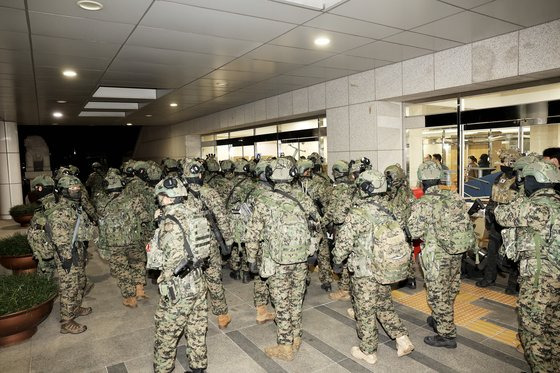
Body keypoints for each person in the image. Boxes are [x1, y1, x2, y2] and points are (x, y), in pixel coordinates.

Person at [333, 170, 414, 365]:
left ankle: (368, 351)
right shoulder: (391, 208)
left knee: (365, 310)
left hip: (365, 272)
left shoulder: (358, 213)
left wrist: (337, 261)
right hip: (386, 268)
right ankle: (402, 339)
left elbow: (343, 243)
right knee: (384, 304)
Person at [245, 158, 320, 361]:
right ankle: (296, 337)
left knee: (281, 303)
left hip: (276, 261)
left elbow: (253, 233)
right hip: (300, 259)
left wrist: (251, 257)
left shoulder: (264, 200)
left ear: (271, 175)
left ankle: (285, 346)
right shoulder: (302, 198)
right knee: (296, 300)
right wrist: (312, 252)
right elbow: (316, 225)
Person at [494, 160, 560, 372]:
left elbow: (501, 215)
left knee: (533, 331)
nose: (524, 183)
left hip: (540, 279)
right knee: (555, 325)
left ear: (535, 181)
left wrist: (519, 194)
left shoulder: (531, 206)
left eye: (526, 180)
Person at [409, 160, 475, 348]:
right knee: (451, 288)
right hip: (456, 252)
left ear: (422, 181)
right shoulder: (454, 197)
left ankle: (446, 335)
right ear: (439, 178)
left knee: (437, 293)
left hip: (437, 256)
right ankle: (440, 317)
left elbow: (414, 231)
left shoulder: (424, 203)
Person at [148, 177, 211, 373]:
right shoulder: (195, 214)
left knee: (166, 332)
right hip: (198, 279)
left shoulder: (168, 224)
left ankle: (163, 369)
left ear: (166, 199)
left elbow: (161, 262)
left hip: (179, 286)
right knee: (197, 326)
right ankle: (198, 366)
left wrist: (155, 237)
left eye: (160, 197)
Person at [182, 159, 234, 330]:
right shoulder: (210, 193)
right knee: (213, 277)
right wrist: (228, 240)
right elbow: (222, 217)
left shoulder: (179, 194)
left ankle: (192, 315)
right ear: (200, 174)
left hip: (186, 246)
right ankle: (222, 315)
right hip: (208, 243)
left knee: (188, 280)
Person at [45, 175, 96, 334]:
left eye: (78, 188)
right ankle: (66, 321)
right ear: (63, 191)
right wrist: (67, 259)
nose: (77, 191)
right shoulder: (59, 212)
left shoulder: (74, 207)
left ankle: (75, 308)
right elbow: (60, 239)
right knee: (69, 287)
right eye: (73, 189)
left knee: (80, 282)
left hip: (77, 251)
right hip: (67, 255)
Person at [97, 173, 150, 308]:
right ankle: (139, 289)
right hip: (134, 240)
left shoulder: (102, 204)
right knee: (137, 263)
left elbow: (100, 223)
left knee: (122, 270)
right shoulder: (133, 200)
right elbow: (145, 217)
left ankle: (130, 298)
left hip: (115, 245)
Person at [476, 149, 521, 292]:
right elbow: (493, 196)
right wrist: (489, 213)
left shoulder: (520, 181)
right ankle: (489, 278)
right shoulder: (500, 177)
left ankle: (512, 284)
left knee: (512, 253)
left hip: (511, 223)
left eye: (504, 161)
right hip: (496, 221)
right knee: (492, 250)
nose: (501, 165)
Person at [384, 164, 417, 289]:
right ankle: (406, 277)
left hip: (401, 228)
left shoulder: (403, 192)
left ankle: (408, 277)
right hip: (396, 228)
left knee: (406, 253)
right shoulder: (401, 191)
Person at [225, 159, 255, 282]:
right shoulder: (253, 184)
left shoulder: (228, 184)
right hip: (247, 217)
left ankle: (236, 271)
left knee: (234, 245)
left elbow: (223, 202)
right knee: (247, 243)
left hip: (232, 218)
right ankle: (246, 273)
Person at [27, 175, 58, 279]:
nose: (36, 191)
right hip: (44, 253)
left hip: (51, 252)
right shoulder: (42, 206)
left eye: (37, 188)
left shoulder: (53, 207)